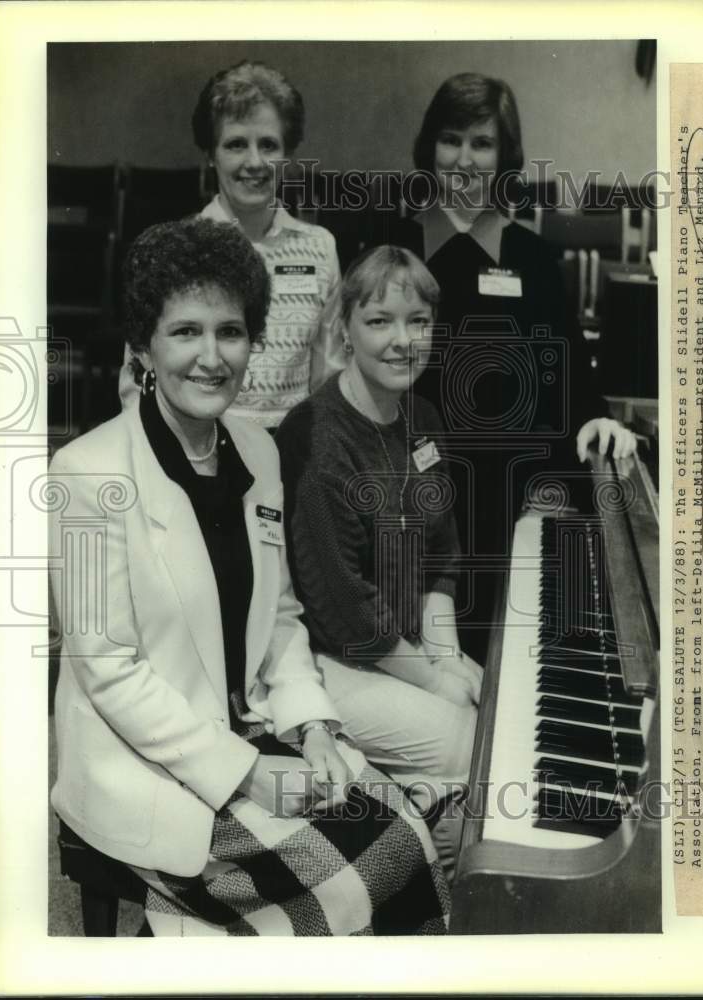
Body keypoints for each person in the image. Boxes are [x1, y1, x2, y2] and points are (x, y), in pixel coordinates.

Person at [50, 218, 449, 936]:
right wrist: (244, 772)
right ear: (142, 346)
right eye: (185, 333)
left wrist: (317, 725)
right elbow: (106, 671)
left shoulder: (259, 454)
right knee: (348, 880)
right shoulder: (83, 474)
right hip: (148, 764)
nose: (211, 358)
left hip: (257, 724)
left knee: (404, 836)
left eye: (229, 332)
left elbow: (283, 619)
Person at [375, 72, 637, 662]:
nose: (464, 159)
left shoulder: (536, 259)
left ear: (505, 157)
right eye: (451, 139)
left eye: (482, 143)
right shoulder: (390, 244)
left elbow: (573, 382)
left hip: (511, 497)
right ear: (430, 149)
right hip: (413, 492)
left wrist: (601, 421)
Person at [276, 246, 479, 870]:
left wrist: (446, 657)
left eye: (417, 321)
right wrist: (439, 680)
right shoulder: (314, 435)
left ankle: (445, 878)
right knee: (470, 742)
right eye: (380, 321)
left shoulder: (422, 417)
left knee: (499, 716)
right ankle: (448, 898)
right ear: (345, 329)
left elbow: (441, 555)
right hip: (327, 658)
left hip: (406, 645)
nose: (402, 341)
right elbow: (345, 612)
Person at [120, 59, 343, 430]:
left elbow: (330, 380)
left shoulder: (320, 249)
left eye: (268, 145)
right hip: (199, 450)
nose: (254, 162)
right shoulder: (176, 248)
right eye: (236, 144)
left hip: (291, 455)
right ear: (210, 155)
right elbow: (136, 378)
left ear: (287, 154)